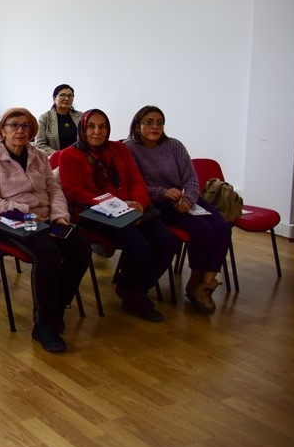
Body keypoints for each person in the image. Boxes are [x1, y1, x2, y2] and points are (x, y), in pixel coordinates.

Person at [0, 108, 91, 353]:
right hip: (12, 221)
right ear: (2, 130)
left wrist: (60, 216)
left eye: (25, 126)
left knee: (80, 247)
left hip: (48, 218)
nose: (19, 130)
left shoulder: (39, 156)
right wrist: (26, 210)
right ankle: (43, 325)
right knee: (49, 255)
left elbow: (54, 190)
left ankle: (58, 308)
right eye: (13, 125)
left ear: (32, 130)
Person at [59, 109, 179, 322]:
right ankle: (134, 294)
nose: (97, 131)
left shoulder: (119, 148)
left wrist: (140, 204)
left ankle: (133, 288)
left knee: (168, 241)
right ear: (82, 129)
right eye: (91, 126)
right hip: (95, 213)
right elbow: (75, 192)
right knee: (140, 246)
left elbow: (135, 180)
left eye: (103, 126)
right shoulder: (70, 155)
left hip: (132, 209)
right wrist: (117, 204)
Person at [124, 105, 230, 314]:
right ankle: (195, 281)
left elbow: (190, 177)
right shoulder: (129, 149)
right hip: (157, 203)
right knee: (203, 230)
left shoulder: (174, 145)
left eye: (159, 122)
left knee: (222, 227)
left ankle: (205, 283)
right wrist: (162, 192)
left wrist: (189, 200)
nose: (155, 126)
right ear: (137, 126)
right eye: (148, 122)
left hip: (183, 198)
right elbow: (133, 185)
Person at [34, 84, 82, 155]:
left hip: (79, 157)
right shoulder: (44, 118)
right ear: (54, 98)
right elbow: (40, 145)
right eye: (62, 95)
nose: (66, 98)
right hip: (55, 160)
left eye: (70, 96)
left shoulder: (81, 116)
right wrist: (61, 155)